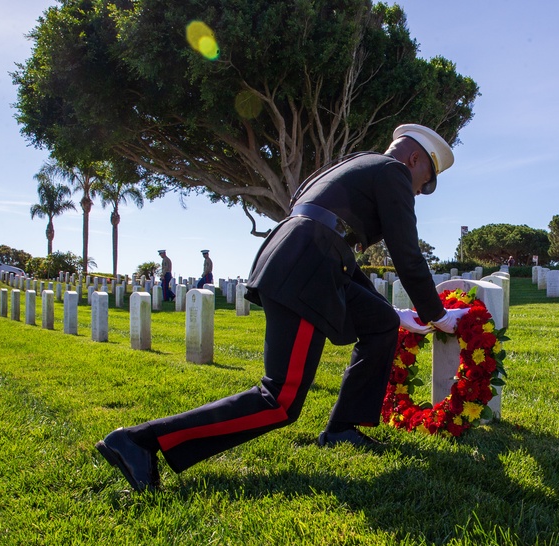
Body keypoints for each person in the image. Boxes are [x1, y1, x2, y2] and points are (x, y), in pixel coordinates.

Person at [96, 123, 470, 491]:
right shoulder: (393, 172)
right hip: (309, 268)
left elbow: (335, 241)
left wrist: (392, 312)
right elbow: (406, 253)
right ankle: (140, 441)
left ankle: (343, 428)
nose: (421, 190)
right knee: (280, 400)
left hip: (302, 255)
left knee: (380, 325)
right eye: (427, 180)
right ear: (415, 158)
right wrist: (437, 315)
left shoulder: (355, 164)